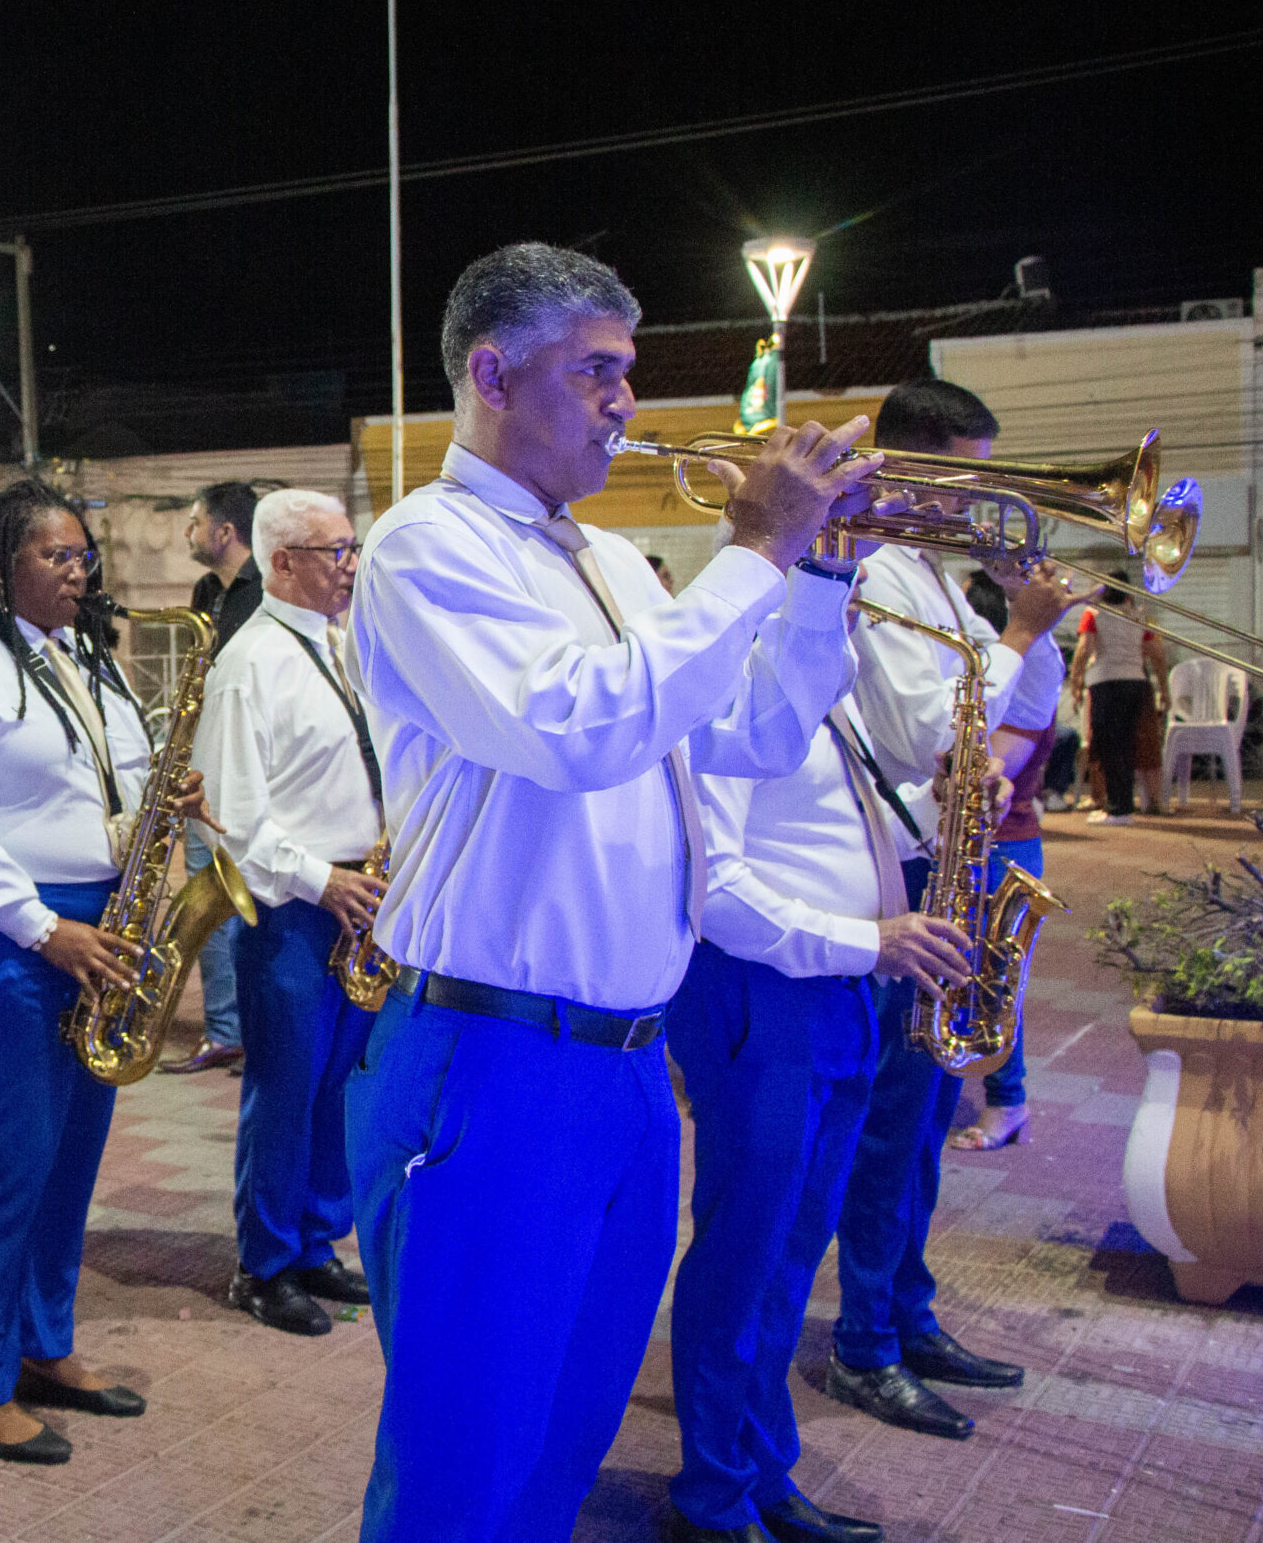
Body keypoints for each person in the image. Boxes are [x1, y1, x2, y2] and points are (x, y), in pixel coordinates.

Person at [343, 243, 873, 1542]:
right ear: (489, 372)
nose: (624, 404)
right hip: (494, 1050)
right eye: (595, 372)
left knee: (562, 1451)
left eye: (625, 374)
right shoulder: (425, 544)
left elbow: (749, 732)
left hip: (629, 1069)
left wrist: (818, 578)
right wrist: (755, 549)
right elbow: (574, 728)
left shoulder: (616, 563)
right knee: (464, 1464)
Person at [0, 478, 215, 1465]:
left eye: (84, 556)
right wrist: (40, 928)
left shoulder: (79, 656)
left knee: (73, 1158)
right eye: (58, 556)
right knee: (8, 1165)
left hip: (99, 918)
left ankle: (45, 1345)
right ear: (2, 563)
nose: (81, 572)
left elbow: (102, 786)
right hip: (8, 931)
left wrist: (161, 800)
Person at [667, 686, 974, 1543]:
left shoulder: (828, 683)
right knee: (745, 1250)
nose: (870, 563)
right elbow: (716, 883)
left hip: (837, 990)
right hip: (768, 990)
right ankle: (712, 1495)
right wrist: (869, 942)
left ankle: (761, 1471)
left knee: (793, 1254)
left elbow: (815, 838)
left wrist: (928, 812)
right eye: (851, 546)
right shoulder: (735, 677)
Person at [832, 378, 1077, 1444]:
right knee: (893, 1122)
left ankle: (907, 1309)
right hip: (904, 877)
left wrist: (1034, 630)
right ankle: (865, 1345)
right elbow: (933, 738)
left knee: (930, 1116)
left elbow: (1020, 718)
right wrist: (1019, 627)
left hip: (954, 864)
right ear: (914, 468)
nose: (985, 494)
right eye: (969, 471)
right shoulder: (876, 575)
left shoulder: (935, 579)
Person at [191, 489, 383, 1338]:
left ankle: (314, 1241)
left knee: (339, 1085)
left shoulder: (341, 645)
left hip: (359, 898)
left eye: (351, 546)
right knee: (287, 1086)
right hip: (297, 908)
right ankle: (263, 1263)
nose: (350, 563)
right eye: (334, 550)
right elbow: (232, 820)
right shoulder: (250, 663)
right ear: (281, 562)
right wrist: (322, 880)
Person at [947, 571, 1070, 1152]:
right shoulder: (1017, 661)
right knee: (974, 978)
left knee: (995, 983)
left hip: (1007, 840)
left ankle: (1008, 1102)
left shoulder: (1030, 665)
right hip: (1002, 839)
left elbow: (997, 764)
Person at [164, 478, 261, 1076]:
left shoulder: (267, 593)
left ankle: (249, 1028)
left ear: (224, 532)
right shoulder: (205, 590)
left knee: (252, 901)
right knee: (205, 888)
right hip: (205, 760)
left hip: (250, 767)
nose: (188, 532)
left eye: (195, 521)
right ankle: (226, 1029)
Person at [1074, 584, 1166, 825]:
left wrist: (1076, 681)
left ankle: (1117, 808)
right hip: (1136, 684)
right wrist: (1164, 689)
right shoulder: (1141, 617)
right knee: (1127, 746)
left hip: (1105, 684)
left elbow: (1084, 649)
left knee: (1107, 746)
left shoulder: (1092, 614)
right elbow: (1156, 653)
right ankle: (1123, 805)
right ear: (1128, 593)